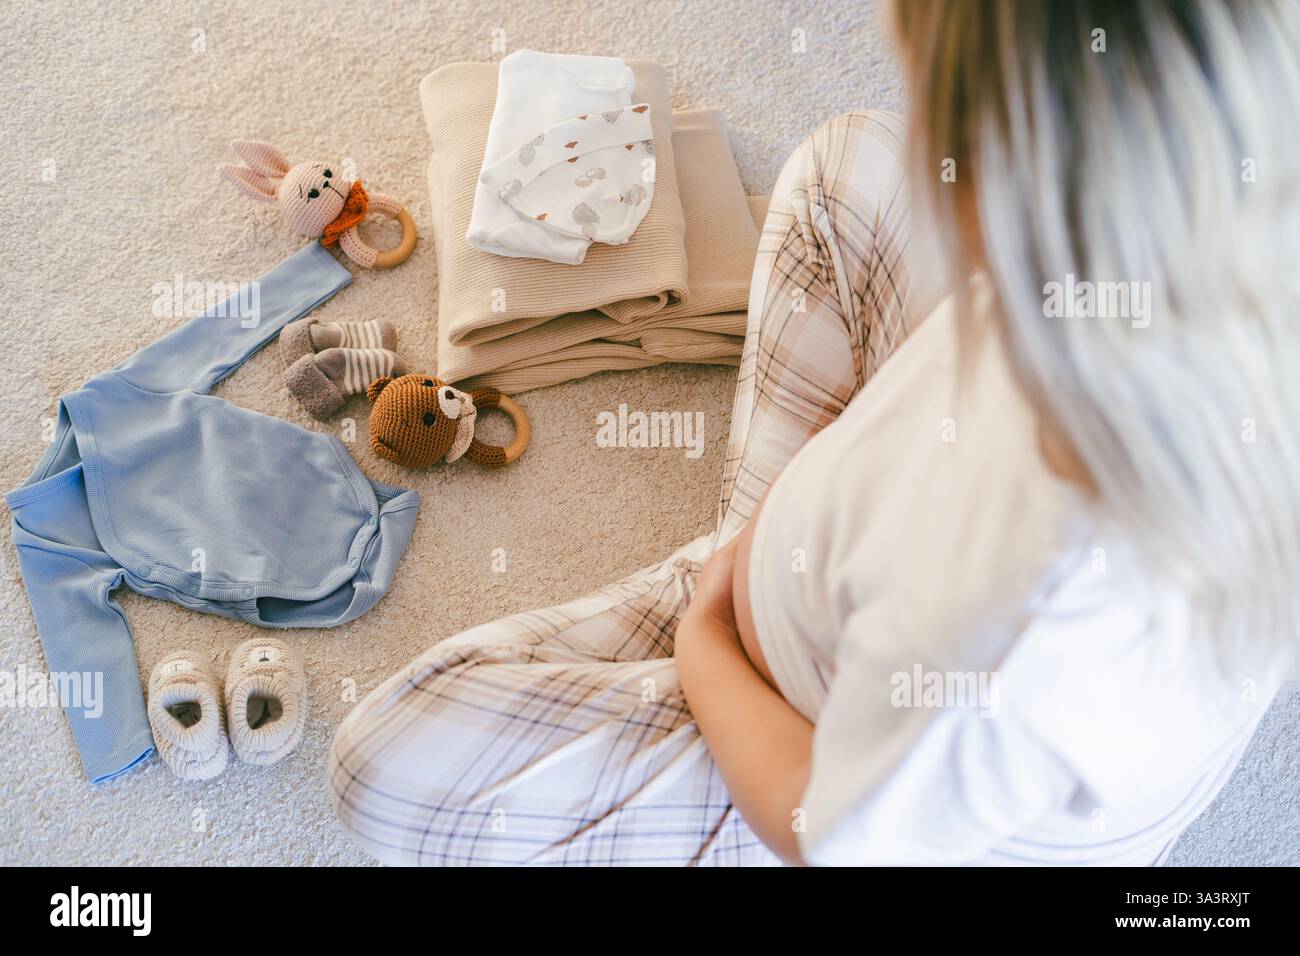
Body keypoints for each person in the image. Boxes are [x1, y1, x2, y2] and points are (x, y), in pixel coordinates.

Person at [329, 0, 1298, 865]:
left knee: (383, 761)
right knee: (847, 161)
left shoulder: (1025, 626)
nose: (935, 151)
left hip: (811, 737)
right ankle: (738, 559)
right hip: (861, 547)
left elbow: (823, 828)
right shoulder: (1214, 252)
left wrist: (710, 631)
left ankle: (706, 582)